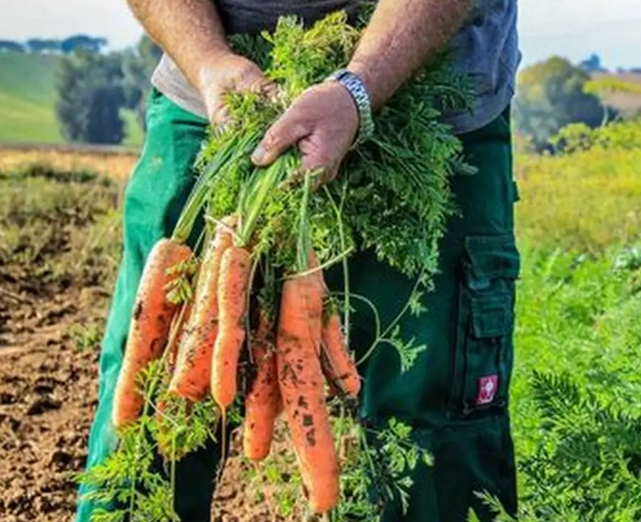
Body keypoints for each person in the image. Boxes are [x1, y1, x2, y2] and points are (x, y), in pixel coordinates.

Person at [76, 0, 522, 520]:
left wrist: (359, 88)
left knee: (431, 434)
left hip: (431, 100)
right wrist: (207, 60)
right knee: (154, 406)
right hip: (212, 96)